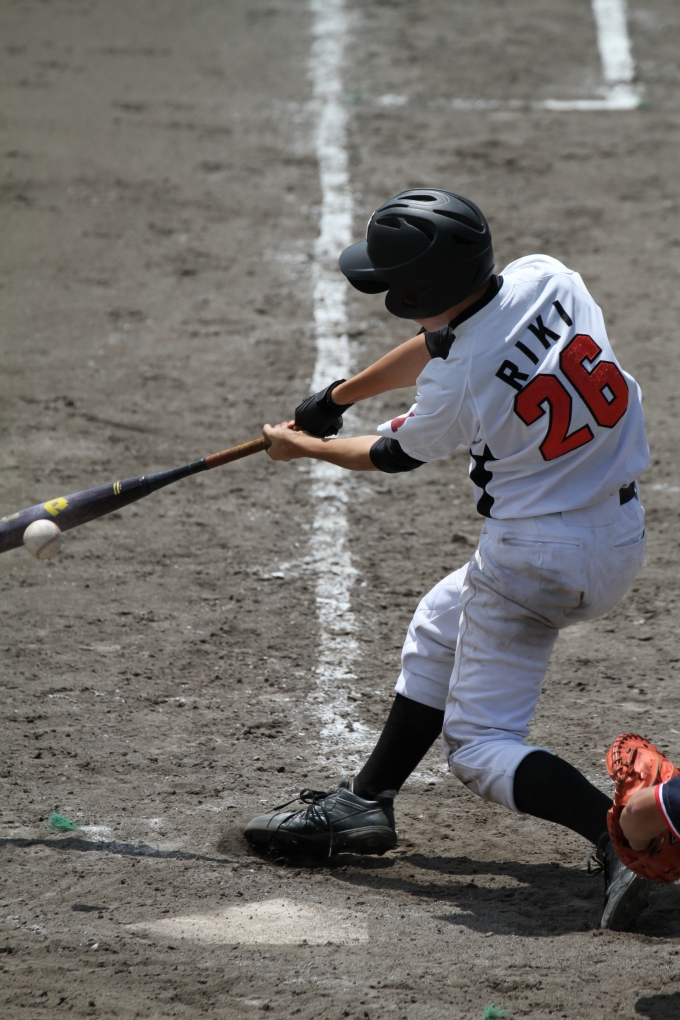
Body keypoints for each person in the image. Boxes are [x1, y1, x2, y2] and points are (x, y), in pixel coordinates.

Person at [244, 189, 650, 931]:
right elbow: (448, 339)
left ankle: (623, 840)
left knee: (480, 746)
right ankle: (367, 801)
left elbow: (389, 454)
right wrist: (337, 396)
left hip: (534, 560)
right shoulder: (547, 277)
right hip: (618, 533)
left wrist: (300, 446)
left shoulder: (458, 384)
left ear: (415, 293)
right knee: (440, 623)